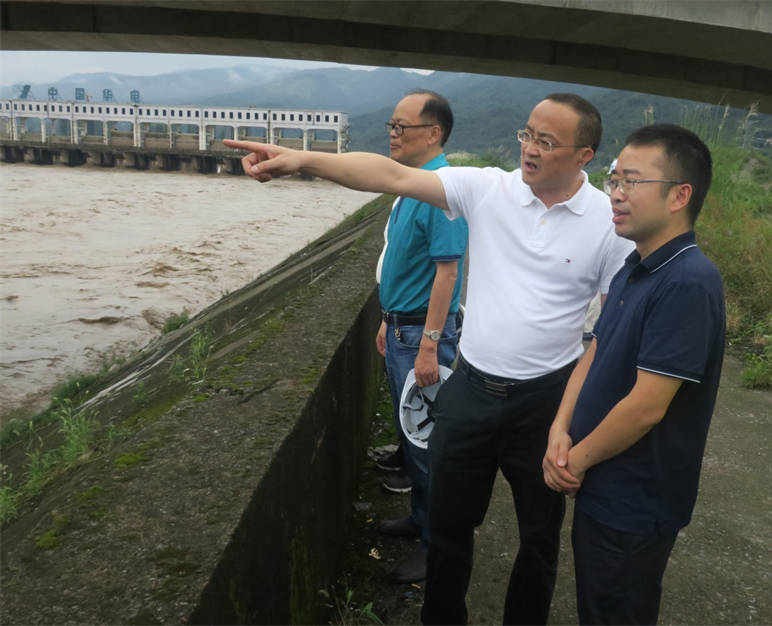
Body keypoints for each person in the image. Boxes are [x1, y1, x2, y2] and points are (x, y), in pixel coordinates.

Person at [224, 92, 633, 625]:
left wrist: (570, 419)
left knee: (539, 535)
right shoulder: (489, 189)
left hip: (545, 400)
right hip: (471, 390)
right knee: (447, 525)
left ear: (585, 155)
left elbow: (609, 333)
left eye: (547, 142)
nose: (530, 149)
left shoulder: (608, 222)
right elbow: (390, 175)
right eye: (527, 135)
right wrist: (301, 160)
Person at [542, 124, 725, 625]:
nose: (616, 194)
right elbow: (596, 351)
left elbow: (647, 405)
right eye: (614, 179)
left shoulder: (688, 281)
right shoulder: (635, 265)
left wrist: (573, 462)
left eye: (632, 181)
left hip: (636, 502)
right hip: (601, 485)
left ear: (679, 196)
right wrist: (560, 428)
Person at [372, 89, 468, 583]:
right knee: (411, 438)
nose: (392, 134)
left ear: (433, 133)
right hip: (402, 328)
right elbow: (404, 262)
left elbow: (447, 273)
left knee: (429, 444)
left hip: (421, 337)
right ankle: (419, 519)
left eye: (401, 127)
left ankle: (437, 547)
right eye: (391, 125)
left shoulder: (441, 190)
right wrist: (386, 319)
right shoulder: (412, 184)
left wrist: (430, 344)